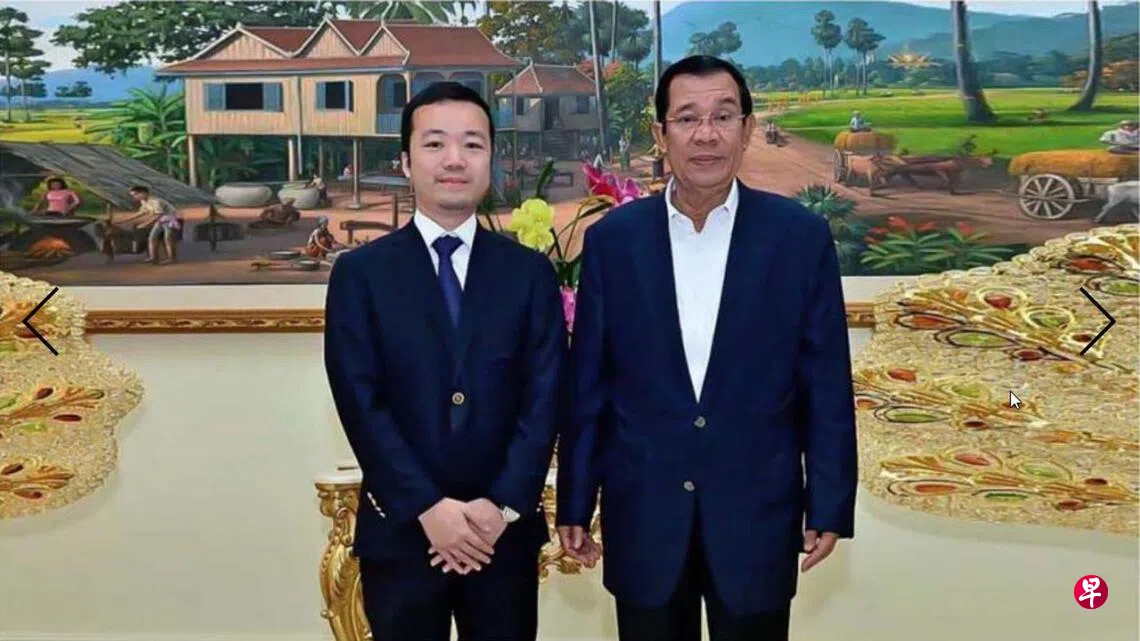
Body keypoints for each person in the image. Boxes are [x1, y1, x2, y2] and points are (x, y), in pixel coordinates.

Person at [555, 55, 858, 641]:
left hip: (756, 514)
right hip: (644, 512)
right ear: (660, 133)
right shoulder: (614, 242)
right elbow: (589, 383)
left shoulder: (798, 238)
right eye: (688, 118)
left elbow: (825, 384)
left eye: (723, 116)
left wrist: (828, 502)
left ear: (747, 129)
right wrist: (575, 500)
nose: (706, 134)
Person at [323, 81, 566, 641]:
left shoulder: (529, 274)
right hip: (402, 532)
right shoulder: (362, 275)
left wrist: (500, 506)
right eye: (435, 144)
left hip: (499, 535)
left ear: (491, 160)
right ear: (407, 162)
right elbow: (360, 400)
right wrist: (428, 507)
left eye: (472, 144)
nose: (454, 159)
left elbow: (545, 396)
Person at [119, 185, 182, 264]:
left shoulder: (155, 201)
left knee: (168, 240)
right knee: (152, 238)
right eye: (133, 195)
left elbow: (158, 215)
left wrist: (145, 224)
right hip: (160, 221)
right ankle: (153, 257)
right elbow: (141, 213)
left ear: (144, 193)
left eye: (136, 194)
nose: (134, 197)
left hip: (170, 220)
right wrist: (123, 220)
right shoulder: (144, 202)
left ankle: (172, 258)